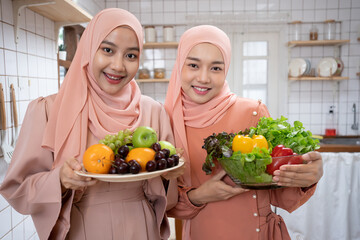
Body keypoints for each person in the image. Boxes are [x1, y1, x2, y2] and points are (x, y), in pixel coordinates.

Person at [0, 8, 181, 240]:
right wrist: (59, 180)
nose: (118, 65)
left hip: (141, 226)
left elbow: (170, 189)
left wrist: (171, 175)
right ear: (88, 49)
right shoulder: (48, 110)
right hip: (80, 228)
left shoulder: (153, 111)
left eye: (131, 55)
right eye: (107, 50)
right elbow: (17, 189)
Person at [164, 25, 323, 240]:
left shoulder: (252, 112)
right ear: (179, 65)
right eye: (193, 64)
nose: (203, 78)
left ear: (226, 69)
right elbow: (166, 205)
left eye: (216, 68)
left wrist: (305, 178)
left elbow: (279, 194)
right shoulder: (167, 121)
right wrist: (200, 195)